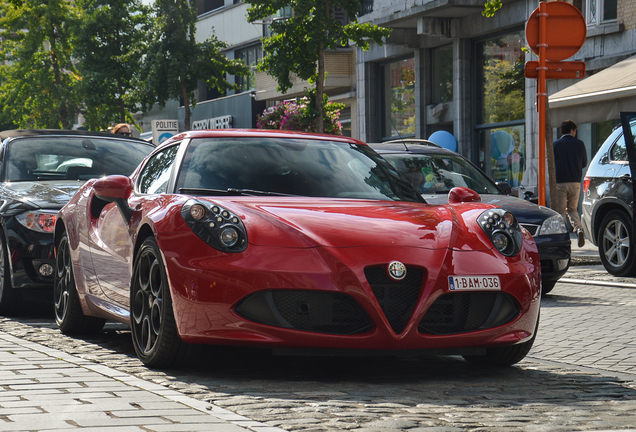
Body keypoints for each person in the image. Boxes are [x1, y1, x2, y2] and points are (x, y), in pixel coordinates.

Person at [553, 119, 587, 247]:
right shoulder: (580, 144)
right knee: (572, 209)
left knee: (561, 211)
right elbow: (584, 163)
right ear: (572, 130)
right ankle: (578, 229)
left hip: (560, 182)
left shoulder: (555, 144)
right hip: (575, 182)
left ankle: (562, 236)